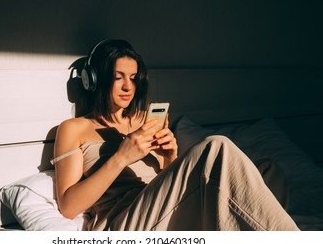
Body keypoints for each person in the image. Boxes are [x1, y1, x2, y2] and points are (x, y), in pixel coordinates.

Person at [51, 39, 299, 231]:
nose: (128, 87)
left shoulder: (143, 120)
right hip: (127, 221)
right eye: (118, 78)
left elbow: (168, 185)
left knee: (268, 170)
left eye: (133, 78)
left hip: (167, 211)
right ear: (94, 80)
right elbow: (69, 207)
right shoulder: (74, 128)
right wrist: (121, 158)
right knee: (216, 148)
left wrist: (170, 158)